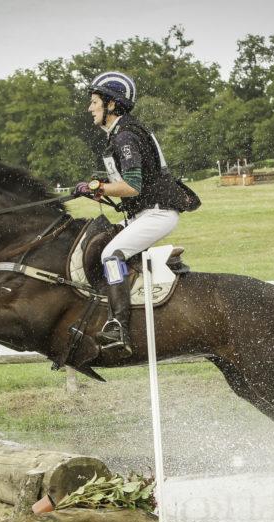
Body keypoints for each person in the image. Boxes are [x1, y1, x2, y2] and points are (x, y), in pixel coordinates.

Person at [73, 71, 198, 357]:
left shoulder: (125, 137)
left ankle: (119, 326)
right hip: (144, 213)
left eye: (94, 102)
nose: (89, 108)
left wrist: (100, 187)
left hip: (156, 213)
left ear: (111, 105)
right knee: (99, 238)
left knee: (110, 255)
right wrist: (97, 189)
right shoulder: (122, 133)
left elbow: (131, 186)